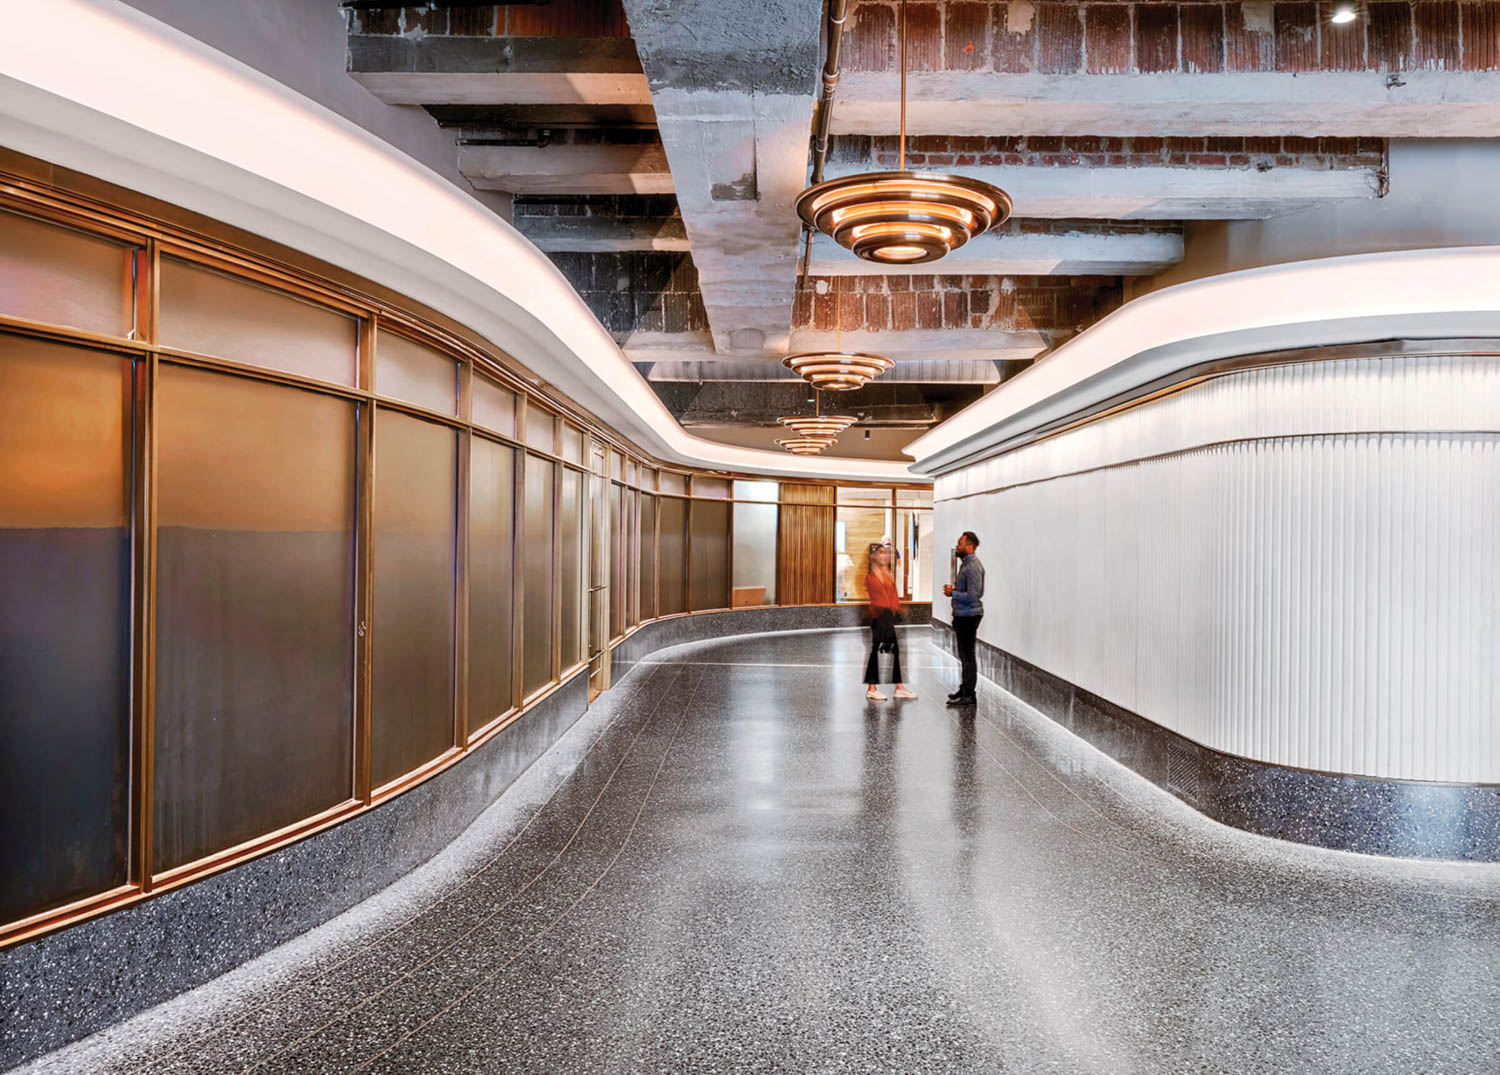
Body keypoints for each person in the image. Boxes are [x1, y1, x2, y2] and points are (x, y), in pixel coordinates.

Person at [864, 543, 917, 702]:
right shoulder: (872, 576)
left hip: (887, 616)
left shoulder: (885, 573)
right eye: (881, 553)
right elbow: (879, 598)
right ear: (874, 556)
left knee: (893, 650)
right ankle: (872, 688)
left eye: (887, 553)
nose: (886, 556)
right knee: (877, 651)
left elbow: (891, 595)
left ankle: (897, 687)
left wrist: (897, 608)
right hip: (880, 617)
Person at [942, 531, 984, 707]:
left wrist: (954, 593)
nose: (957, 547)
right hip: (963, 615)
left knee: (968, 657)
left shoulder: (973, 566)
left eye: (960, 544)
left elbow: (974, 595)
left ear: (970, 546)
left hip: (969, 616)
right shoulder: (965, 565)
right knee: (964, 656)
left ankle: (969, 694)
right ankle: (964, 688)